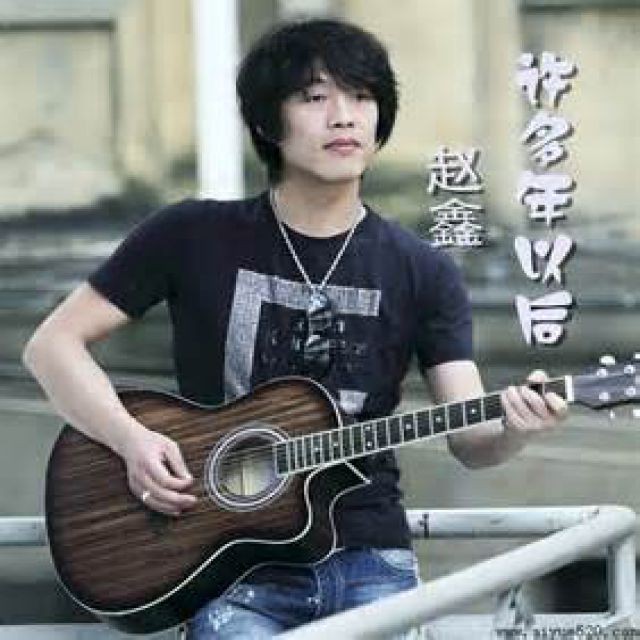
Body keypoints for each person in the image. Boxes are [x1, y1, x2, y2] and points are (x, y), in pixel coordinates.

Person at [23, 17, 567, 640]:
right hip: (225, 568)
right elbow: (52, 346)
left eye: (362, 97)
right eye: (314, 98)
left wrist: (515, 428)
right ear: (266, 122)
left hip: (371, 559)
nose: (344, 117)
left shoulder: (423, 269)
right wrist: (131, 440)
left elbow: (471, 438)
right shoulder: (191, 235)